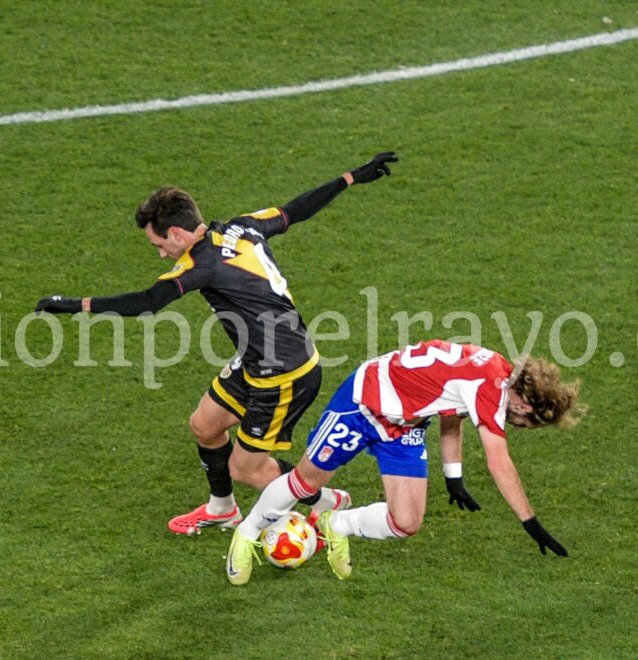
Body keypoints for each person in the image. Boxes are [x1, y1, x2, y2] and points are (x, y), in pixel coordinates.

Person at [36, 152, 399, 534]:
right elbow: (297, 210)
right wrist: (352, 177)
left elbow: (147, 304)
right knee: (205, 425)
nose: (161, 254)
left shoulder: (201, 263)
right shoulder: (243, 227)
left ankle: (326, 502)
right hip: (256, 359)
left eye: (159, 245)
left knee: (246, 469)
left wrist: (74, 305)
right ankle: (222, 508)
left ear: (176, 234)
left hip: (285, 373)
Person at [225, 339, 585, 585]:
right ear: (525, 404)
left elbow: (451, 412)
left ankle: (338, 523)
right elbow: (499, 463)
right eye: (527, 422)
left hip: (405, 424)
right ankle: (247, 534)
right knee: (306, 482)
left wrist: (453, 475)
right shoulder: (489, 391)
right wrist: (530, 522)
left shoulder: (496, 369)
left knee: (407, 522)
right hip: (363, 404)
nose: (520, 426)